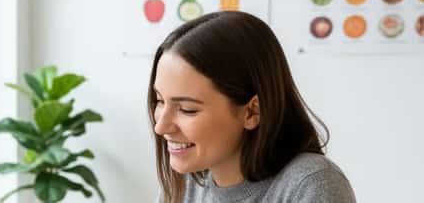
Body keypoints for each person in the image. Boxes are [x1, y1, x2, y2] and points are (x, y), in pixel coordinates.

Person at [148, 11, 356, 203]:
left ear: (252, 111)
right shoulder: (183, 185)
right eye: (160, 101)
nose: (161, 127)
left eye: (187, 109)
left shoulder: (311, 185)